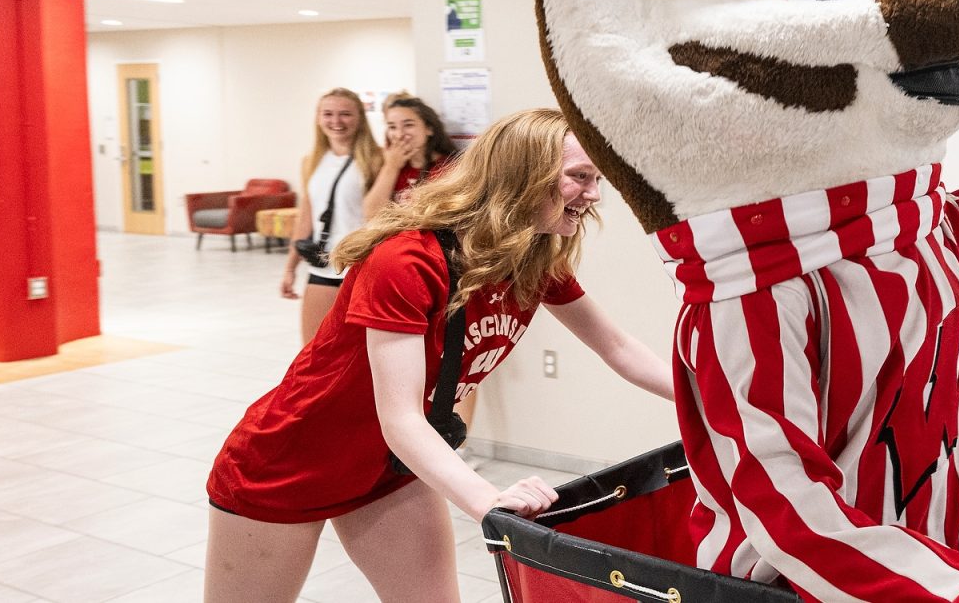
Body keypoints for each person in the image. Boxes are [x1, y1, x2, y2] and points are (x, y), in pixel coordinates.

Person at [206, 108, 675, 603]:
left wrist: (713, 403)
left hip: (388, 468)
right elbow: (401, 417)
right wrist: (490, 501)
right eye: (580, 177)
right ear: (525, 173)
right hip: (288, 463)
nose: (595, 194)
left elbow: (619, 349)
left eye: (596, 179)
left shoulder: (535, 258)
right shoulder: (407, 260)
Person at [282, 87, 385, 343]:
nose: (336, 122)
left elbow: (381, 214)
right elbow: (306, 218)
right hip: (323, 266)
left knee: (358, 354)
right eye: (328, 114)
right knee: (312, 352)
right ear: (318, 118)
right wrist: (290, 267)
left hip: (362, 266)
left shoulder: (377, 159)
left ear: (360, 117)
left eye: (345, 114)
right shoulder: (312, 161)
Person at [365, 97, 460, 217]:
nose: (399, 134)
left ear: (429, 129)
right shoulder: (388, 165)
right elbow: (370, 215)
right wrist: (391, 166)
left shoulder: (449, 168)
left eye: (408, 125)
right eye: (392, 127)